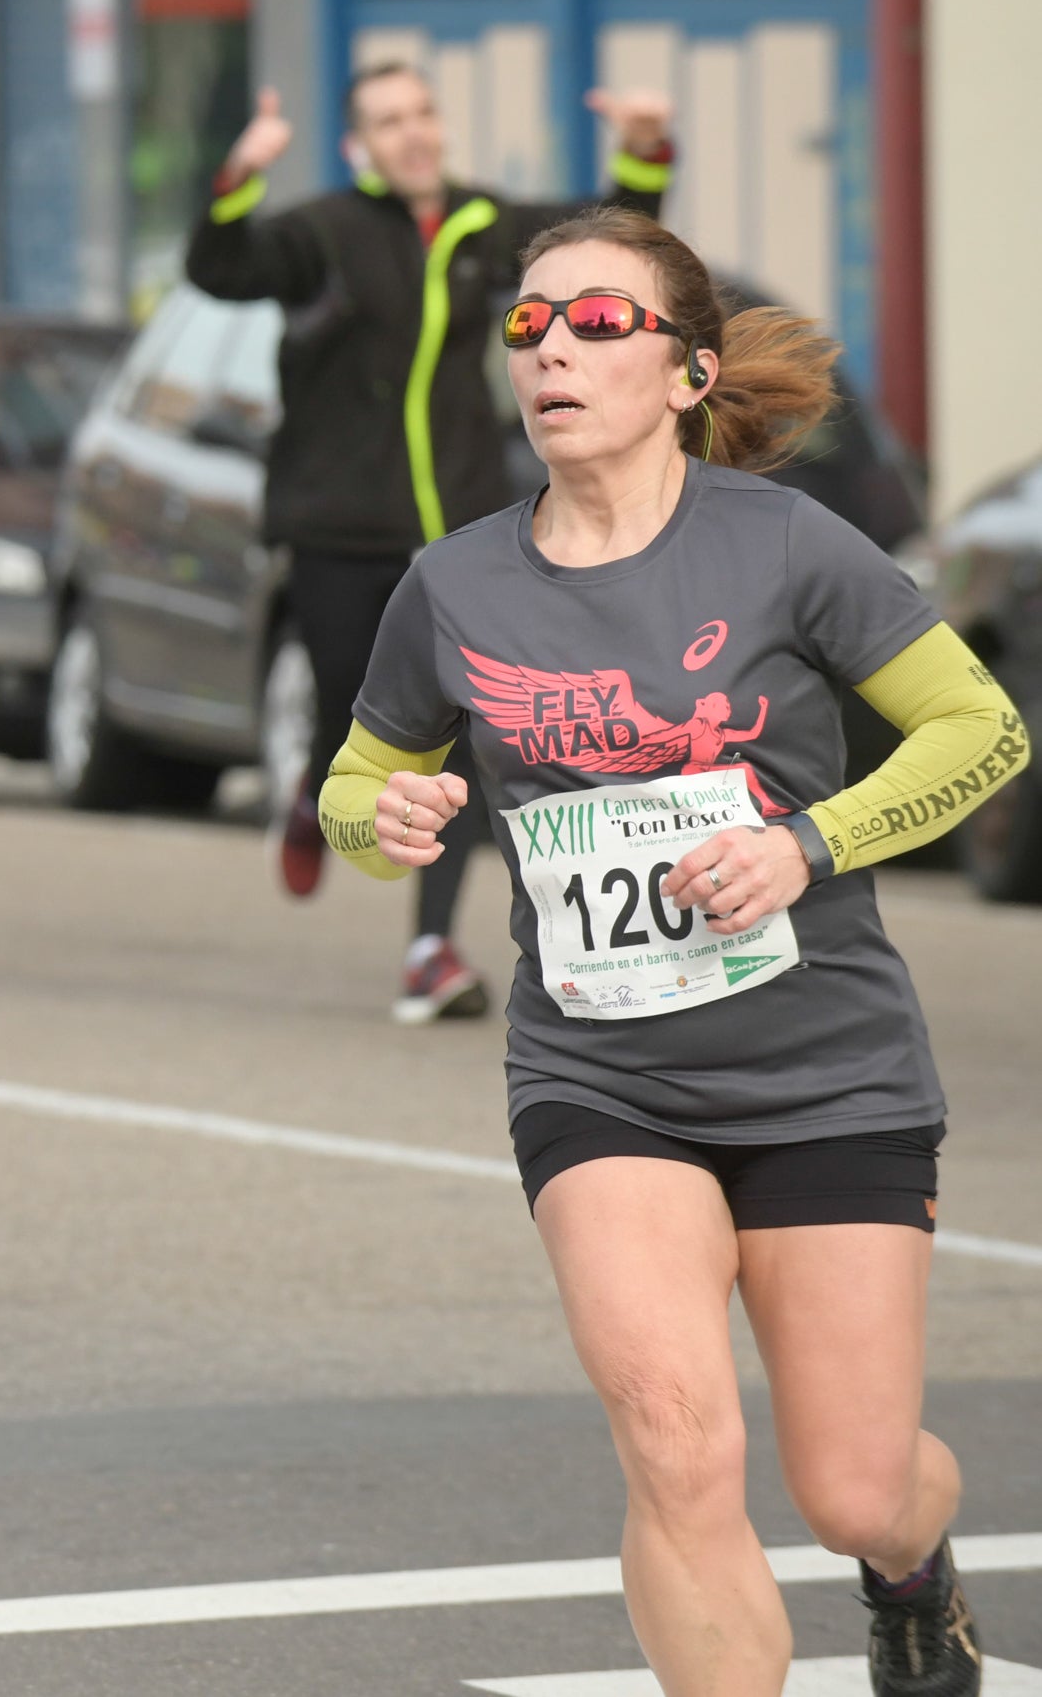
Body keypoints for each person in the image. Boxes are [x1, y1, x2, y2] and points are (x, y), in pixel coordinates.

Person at [326, 209, 1023, 1697]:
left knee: (852, 1487)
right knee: (675, 1440)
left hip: (828, 1072)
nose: (553, 349)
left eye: (596, 322)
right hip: (602, 1074)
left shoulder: (783, 544)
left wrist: (807, 843)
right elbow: (350, 785)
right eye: (529, 326)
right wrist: (383, 816)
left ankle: (914, 1573)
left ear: (688, 373)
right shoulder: (456, 586)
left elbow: (984, 728)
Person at [190, 67, 678, 1024]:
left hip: (454, 528)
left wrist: (645, 153)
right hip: (339, 526)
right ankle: (313, 791)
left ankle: (429, 947)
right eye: (386, 121)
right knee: (355, 719)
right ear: (355, 144)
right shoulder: (322, 235)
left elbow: (612, 245)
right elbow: (220, 267)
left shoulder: (476, 223)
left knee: (447, 733)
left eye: (421, 115)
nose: (411, 135)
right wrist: (235, 179)